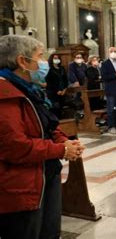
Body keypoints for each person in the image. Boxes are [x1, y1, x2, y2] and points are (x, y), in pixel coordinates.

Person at [0, 35, 84, 239]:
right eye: (40, 57)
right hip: (21, 183)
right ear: (22, 61)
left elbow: (47, 124)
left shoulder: (29, 90)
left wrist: (64, 140)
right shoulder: (5, 95)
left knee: (50, 232)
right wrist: (61, 150)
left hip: (45, 172)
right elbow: (15, 146)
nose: (44, 62)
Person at [45, 53, 68, 119]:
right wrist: (57, 91)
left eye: (57, 58)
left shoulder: (62, 68)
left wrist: (64, 89)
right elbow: (49, 82)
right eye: (55, 58)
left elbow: (65, 80)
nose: (56, 59)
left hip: (62, 93)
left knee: (61, 109)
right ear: (51, 59)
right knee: (55, 109)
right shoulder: (49, 69)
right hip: (53, 93)